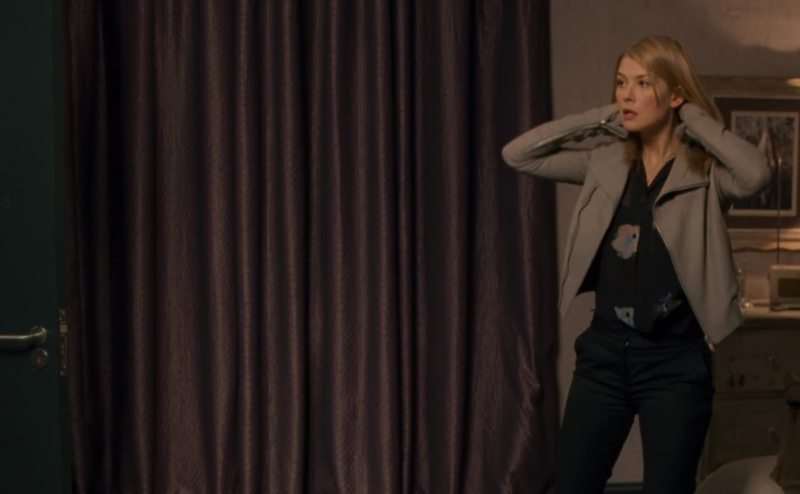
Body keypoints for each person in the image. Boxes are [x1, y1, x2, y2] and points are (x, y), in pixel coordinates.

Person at [501, 36, 771, 493]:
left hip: (675, 363)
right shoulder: (605, 163)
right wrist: (602, 118)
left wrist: (692, 118)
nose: (627, 94)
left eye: (643, 83)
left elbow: (756, 174)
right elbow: (518, 154)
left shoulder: (706, 173)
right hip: (604, 356)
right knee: (571, 486)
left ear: (675, 94)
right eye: (621, 82)